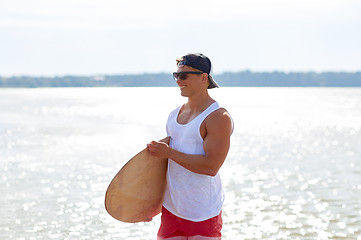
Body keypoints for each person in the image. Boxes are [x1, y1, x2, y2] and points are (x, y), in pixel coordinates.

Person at [147, 53, 233, 240]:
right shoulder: (173, 114)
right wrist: (147, 203)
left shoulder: (218, 117)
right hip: (171, 209)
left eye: (184, 75)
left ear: (204, 77)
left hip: (202, 212)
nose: (178, 80)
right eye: (176, 75)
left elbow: (211, 166)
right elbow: (165, 165)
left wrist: (169, 153)